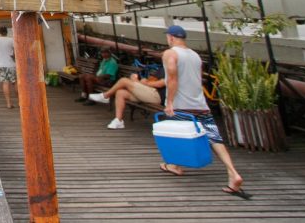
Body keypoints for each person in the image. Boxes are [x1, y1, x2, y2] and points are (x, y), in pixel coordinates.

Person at [158, 25, 250, 200]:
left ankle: (176, 165)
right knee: (214, 138)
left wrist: (169, 102)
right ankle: (233, 172)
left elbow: (172, 77)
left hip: (181, 104)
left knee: (179, 135)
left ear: (170, 37)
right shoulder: (195, 55)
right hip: (200, 104)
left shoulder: (170, 53)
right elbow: (198, 79)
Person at [88, 71, 165, 129]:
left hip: (157, 96)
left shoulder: (172, 69)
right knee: (120, 93)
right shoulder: (161, 69)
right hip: (148, 92)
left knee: (124, 81)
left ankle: (106, 96)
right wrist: (138, 80)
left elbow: (160, 84)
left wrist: (137, 81)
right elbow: (147, 80)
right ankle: (119, 120)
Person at [0, 26, 17, 108]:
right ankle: (21, 102)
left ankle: (9, 104)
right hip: (11, 65)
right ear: (7, 32)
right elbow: (16, 51)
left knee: (5, 83)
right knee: (15, 83)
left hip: (1, 65)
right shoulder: (11, 40)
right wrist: (14, 57)